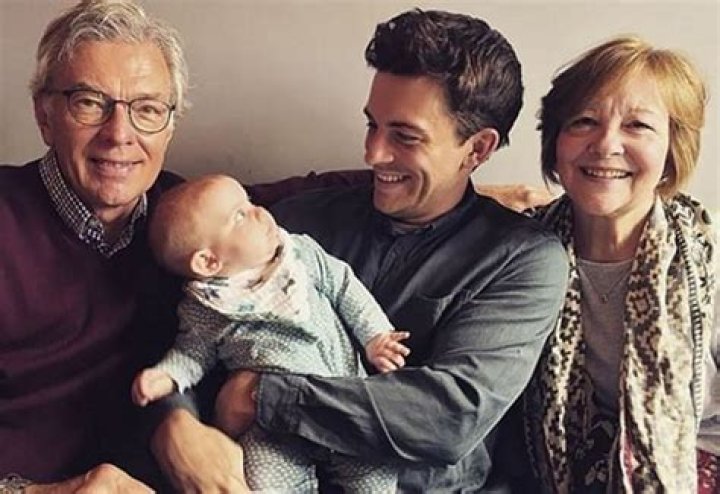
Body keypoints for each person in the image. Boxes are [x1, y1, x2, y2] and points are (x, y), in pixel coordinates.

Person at [0, 1, 367, 491]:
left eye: (147, 109)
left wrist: (175, 423)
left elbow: (320, 192)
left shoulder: (191, 222)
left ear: (170, 126)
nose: (119, 134)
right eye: (89, 102)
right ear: (44, 115)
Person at [207, 8, 569, 492]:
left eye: (405, 136)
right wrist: (176, 422)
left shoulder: (521, 260)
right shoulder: (295, 223)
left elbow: (447, 416)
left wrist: (265, 397)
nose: (373, 153)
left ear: (478, 149)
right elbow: (197, 319)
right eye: (372, 125)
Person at [515, 36, 717, 492]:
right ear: (556, 141)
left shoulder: (709, 254)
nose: (606, 144)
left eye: (637, 126)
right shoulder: (520, 253)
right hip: (558, 474)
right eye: (584, 121)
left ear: (673, 148)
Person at [132, 174, 409, 492]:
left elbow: (345, 288)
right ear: (208, 261)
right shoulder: (206, 306)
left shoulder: (299, 254)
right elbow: (193, 353)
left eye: (250, 202)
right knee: (260, 480)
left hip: (342, 403)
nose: (260, 212)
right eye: (240, 216)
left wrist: (375, 336)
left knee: (376, 473)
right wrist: (166, 376)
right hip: (271, 425)